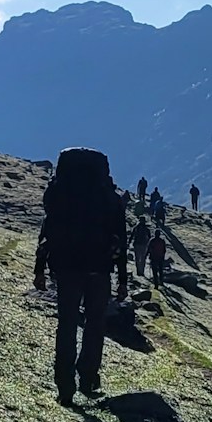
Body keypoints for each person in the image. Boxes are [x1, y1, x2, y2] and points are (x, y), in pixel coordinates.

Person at [34, 147, 128, 405]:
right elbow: (121, 239)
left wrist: (39, 269)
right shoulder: (109, 198)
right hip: (99, 269)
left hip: (66, 268)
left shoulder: (59, 193)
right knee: (95, 324)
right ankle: (88, 378)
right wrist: (122, 280)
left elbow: (47, 231)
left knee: (66, 323)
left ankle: (65, 387)